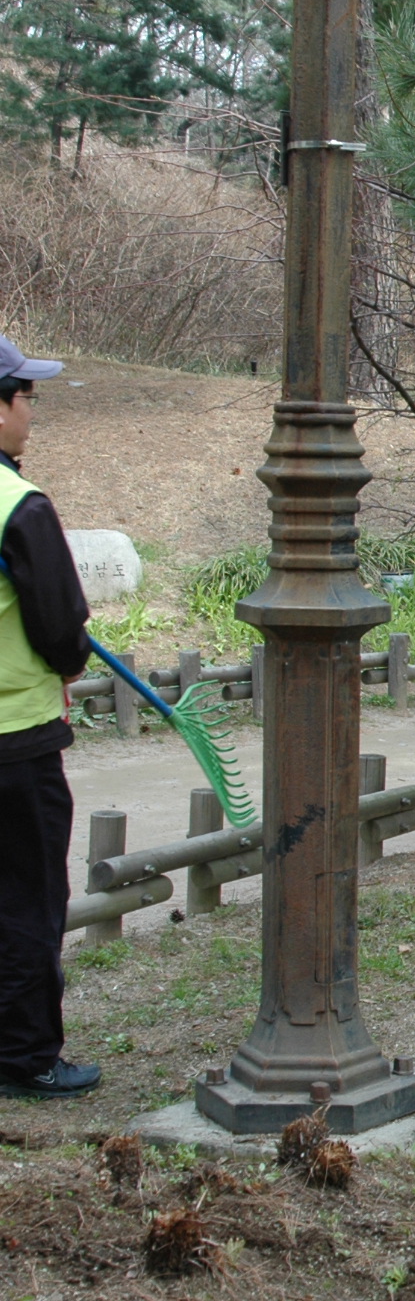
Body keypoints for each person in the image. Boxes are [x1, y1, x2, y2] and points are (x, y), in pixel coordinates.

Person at [0, 337, 97, 1099]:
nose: (32, 412)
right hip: (15, 745)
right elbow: (63, 630)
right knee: (27, 902)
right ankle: (25, 1055)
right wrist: (67, 660)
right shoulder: (20, 510)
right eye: (26, 396)